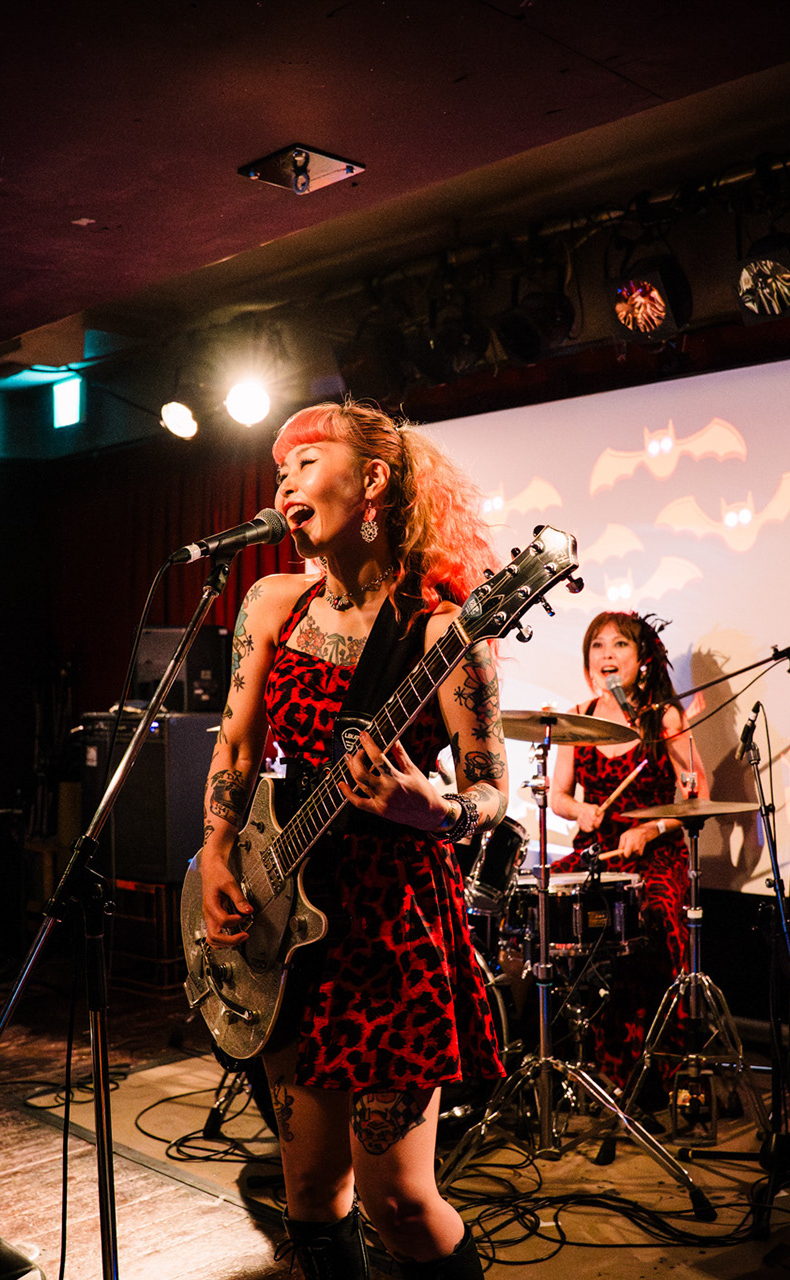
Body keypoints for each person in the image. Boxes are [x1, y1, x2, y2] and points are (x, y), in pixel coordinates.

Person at [198, 401, 505, 1280]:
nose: (284, 481)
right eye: (277, 468)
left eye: (304, 461)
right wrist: (220, 852)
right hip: (289, 915)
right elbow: (238, 744)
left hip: (394, 928)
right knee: (308, 1198)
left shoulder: (443, 632)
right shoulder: (271, 603)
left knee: (399, 1201)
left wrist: (433, 809)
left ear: (371, 480)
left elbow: (490, 788)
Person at [547, 612, 706, 1100]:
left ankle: (667, 1068)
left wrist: (654, 826)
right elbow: (558, 796)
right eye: (598, 645)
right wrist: (582, 810)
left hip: (654, 854)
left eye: (620, 645)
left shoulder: (664, 718)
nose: (608, 654)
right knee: (542, 903)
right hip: (599, 850)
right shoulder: (578, 718)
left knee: (657, 912)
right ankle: (572, 1061)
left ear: (642, 661)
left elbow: (699, 795)